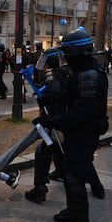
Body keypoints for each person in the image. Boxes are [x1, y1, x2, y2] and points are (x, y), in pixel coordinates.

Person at [33, 28, 109, 222]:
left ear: (77, 52)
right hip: (79, 131)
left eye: (67, 52)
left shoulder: (89, 75)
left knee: (74, 178)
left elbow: (83, 112)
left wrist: (54, 121)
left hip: (85, 132)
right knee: (69, 174)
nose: (65, 57)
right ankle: (73, 210)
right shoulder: (82, 70)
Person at [25, 47, 68, 202]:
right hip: (65, 117)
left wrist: (44, 98)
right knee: (57, 146)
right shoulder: (67, 71)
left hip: (54, 117)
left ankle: (40, 189)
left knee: (43, 150)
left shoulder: (52, 73)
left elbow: (54, 91)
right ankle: (61, 172)